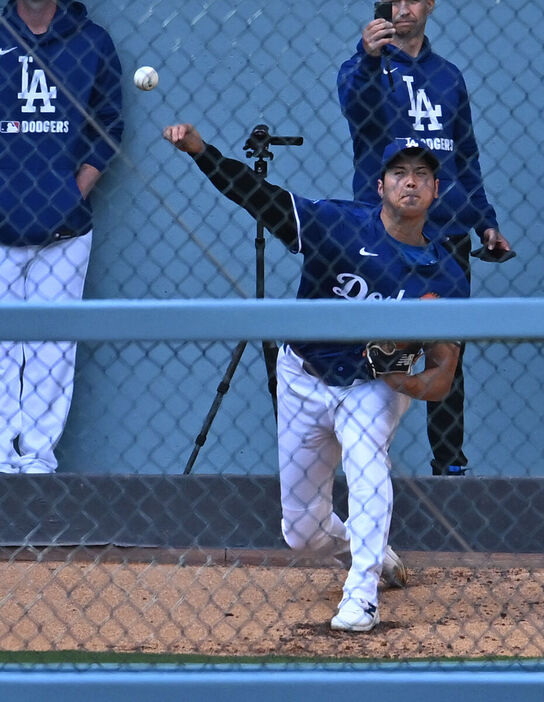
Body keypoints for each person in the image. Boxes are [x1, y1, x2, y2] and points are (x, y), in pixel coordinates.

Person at [163, 122, 469, 632]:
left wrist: (400, 382)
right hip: (303, 376)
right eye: (399, 172)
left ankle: (362, 595)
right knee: (302, 534)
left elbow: (441, 378)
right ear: (380, 186)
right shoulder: (337, 223)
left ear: (436, 189)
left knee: (368, 464)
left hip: (372, 384)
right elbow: (257, 196)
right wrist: (201, 152)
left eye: (421, 174)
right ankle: (365, 546)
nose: (411, 181)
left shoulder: (444, 277)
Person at [337, 0, 512, 476]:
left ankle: (449, 466)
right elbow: (357, 110)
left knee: (447, 350)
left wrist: (484, 220)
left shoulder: (448, 76)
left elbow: (466, 156)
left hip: (447, 234)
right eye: (392, 0)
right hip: (384, 235)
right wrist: (368, 57)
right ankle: (363, 462)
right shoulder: (363, 67)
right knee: (368, 346)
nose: (402, 8)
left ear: (430, 3)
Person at [0, 0, 123, 473]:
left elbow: (108, 125)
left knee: (53, 345)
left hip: (65, 229)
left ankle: (37, 458)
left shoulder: (92, 42)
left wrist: (74, 193)